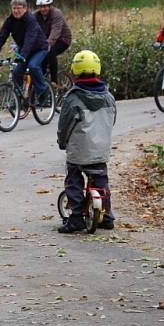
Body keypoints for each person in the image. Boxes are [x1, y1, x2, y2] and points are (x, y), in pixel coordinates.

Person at [56, 50, 117, 233]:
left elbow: (64, 125)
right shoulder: (108, 97)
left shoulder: (72, 98)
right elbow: (112, 121)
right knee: (101, 181)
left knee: (74, 180)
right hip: (100, 150)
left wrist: (62, 141)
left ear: (75, 69)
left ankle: (75, 218)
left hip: (78, 152)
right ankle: (107, 217)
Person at [0, 0, 51, 106]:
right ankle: (19, 98)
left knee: (33, 66)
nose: (16, 11)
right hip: (24, 49)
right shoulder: (10, 21)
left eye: (19, 8)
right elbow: (1, 37)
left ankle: (44, 91)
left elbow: (30, 39)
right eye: (14, 8)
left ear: (25, 8)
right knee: (16, 73)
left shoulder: (30, 20)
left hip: (40, 48)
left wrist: (22, 56)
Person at [34, 0, 72, 85]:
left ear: (50, 6)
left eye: (45, 6)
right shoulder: (35, 15)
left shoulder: (56, 13)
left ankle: (54, 82)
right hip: (47, 40)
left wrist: (47, 45)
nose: (43, 9)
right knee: (40, 58)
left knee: (50, 53)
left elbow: (55, 31)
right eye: (41, 7)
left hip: (63, 39)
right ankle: (43, 81)